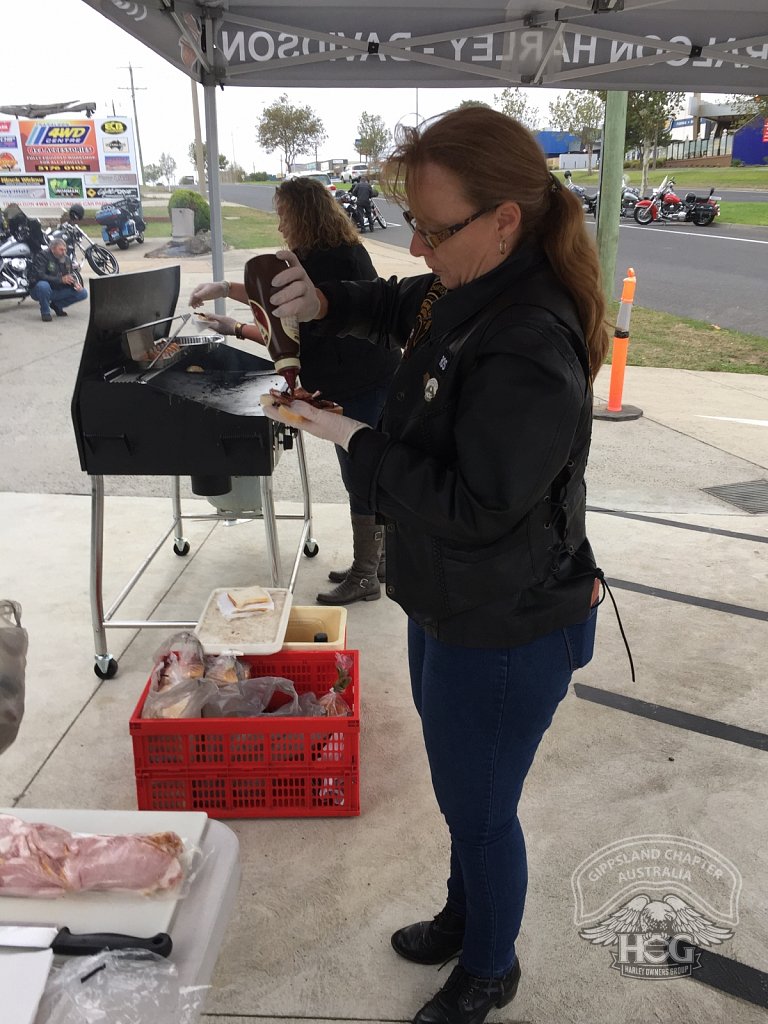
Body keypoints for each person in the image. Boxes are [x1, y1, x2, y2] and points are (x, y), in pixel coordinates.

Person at [259, 106, 609, 1024]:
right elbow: (408, 302)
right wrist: (331, 299)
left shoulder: (527, 340)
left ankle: (490, 968)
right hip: (449, 604)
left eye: (433, 227)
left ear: (504, 219)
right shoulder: (476, 282)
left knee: (483, 810)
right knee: (466, 795)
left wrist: (351, 436)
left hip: (506, 621)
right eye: (410, 221)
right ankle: (465, 916)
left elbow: (477, 506)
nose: (417, 242)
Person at [188, 176, 401, 604]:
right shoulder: (333, 251)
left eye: (284, 214)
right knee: (372, 471)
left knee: (361, 474)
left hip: (358, 382)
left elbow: (282, 312)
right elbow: (272, 299)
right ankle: (380, 560)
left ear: (303, 213)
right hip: (370, 375)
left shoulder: (326, 261)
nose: (281, 224)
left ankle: (365, 574)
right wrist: (228, 293)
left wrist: (235, 324)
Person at [28, 237, 87, 322]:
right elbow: (39, 275)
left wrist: (75, 284)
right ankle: (45, 312)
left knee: (83, 293)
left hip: (57, 289)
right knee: (43, 285)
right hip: (39, 290)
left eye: (65, 250)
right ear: (52, 249)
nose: (64, 252)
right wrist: (60, 280)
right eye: (61, 250)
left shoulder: (66, 259)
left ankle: (57, 305)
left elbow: (69, 275)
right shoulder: (42, 256)